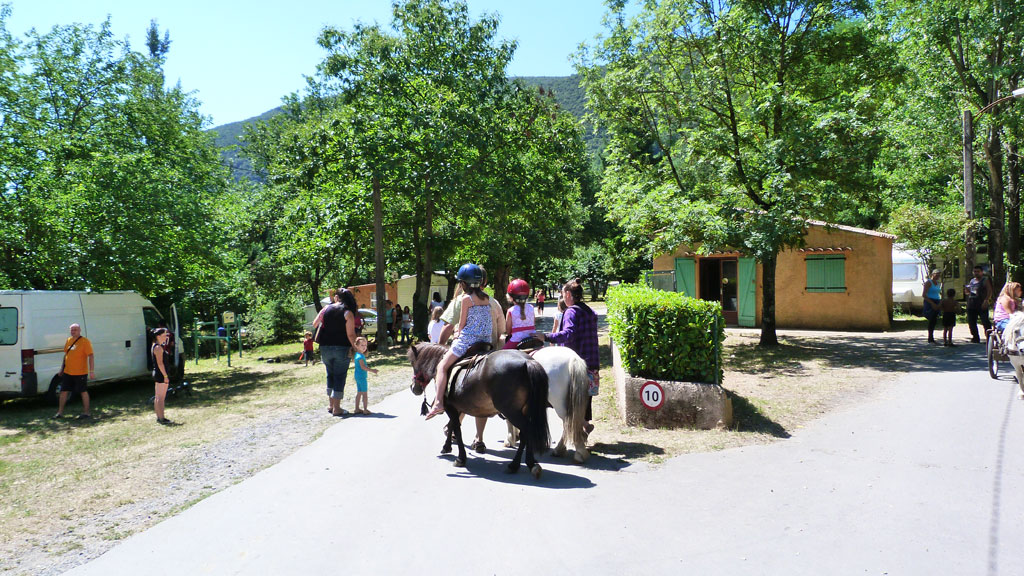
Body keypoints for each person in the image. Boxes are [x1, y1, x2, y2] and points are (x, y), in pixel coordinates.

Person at [425, 264, 492, 420]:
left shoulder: (465, 299)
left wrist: (457, 334)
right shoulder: (486, 297)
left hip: (468, 340)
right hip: (486, 340)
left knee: (442, 366)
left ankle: (439, 402)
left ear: (463, 284)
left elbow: (461, 324)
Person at [535, 278, 599, 434]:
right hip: (593, 362)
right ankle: (584, 425)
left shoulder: (571, 312)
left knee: (570, 400)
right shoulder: (589, 311)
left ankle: (581, 426)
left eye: (563, 293)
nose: (562, 297)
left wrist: (546, 337)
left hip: (575, 363)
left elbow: (568, 334)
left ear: (569, 294)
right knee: (584, 399)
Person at [319, 287, 359, 417]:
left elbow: (315, 324)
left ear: (337, 297)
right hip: (341, 348)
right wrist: (357, 349)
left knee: (330, 375)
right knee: (339, 376)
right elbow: (351, 335)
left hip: (325, 347)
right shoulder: (347, 313)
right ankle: (337, 408)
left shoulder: (326, 309)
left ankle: (331, 405)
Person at [54, 323, 94, 419]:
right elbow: (66, 355)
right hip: (68, 372)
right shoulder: (69, 340)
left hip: (80, 372)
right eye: (72, 330)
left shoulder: (85, 341)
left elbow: (91, 356)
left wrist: (91, 371)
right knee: (63, 391)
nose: (73, 331)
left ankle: (86, 413)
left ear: (80, 330)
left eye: (75, 329)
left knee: (83, 391)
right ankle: (60, 413)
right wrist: (62, 369)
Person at [503, 278, 536, 349]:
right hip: (532, 338)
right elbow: (533, 323)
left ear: (511, 297)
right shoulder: (531, 308)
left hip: (516, 340)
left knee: (501, 354)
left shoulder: (511, 311)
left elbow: (508, 331)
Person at [964, 265, 993, 343]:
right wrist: (967, 290)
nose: (976, 273)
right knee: (971, 321)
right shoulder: (972, 281)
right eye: (974, 271)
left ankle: (989, 338)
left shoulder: (985, 280)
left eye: (978, 271)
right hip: (972, 303)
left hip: (981, 303)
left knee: (985, 321)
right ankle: (975, 337)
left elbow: (989, 291)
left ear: (981, 272)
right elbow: (969, 292)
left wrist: (986, 300)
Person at [152, 328, 173, 424]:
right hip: (161, 374)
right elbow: (160, 363)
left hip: (157, 373)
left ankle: (159, 417)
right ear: (158, 336)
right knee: (161, 398)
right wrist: (165, 376)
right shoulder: (158, 348)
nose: (166, 337)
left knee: (158, 397)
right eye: (164, 335)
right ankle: (162, 418)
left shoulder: (156, 346)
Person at [352, 337, 378, 414]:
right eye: (362, 345)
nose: (364, 347)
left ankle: (357, 408)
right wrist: (372, 370)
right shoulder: (360, 356)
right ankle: (365, 409)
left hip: (358, 376)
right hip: (361, 377)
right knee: (364, 393)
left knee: (359, 392)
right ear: (357, 346)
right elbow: (363, 367)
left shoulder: (357, 355)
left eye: (365, 345)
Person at [922, 269, 942, 344]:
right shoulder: (928, 282)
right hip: (930, 301)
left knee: (934, 320)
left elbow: (938, 293)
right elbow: (924, 295)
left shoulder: (938, 283)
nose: (938, 276)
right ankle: (930, 337)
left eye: (939, 275)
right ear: (932, 274)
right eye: (936, 274)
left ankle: (931, 337)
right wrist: (932, 303)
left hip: (937, 301)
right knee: (931, 319)